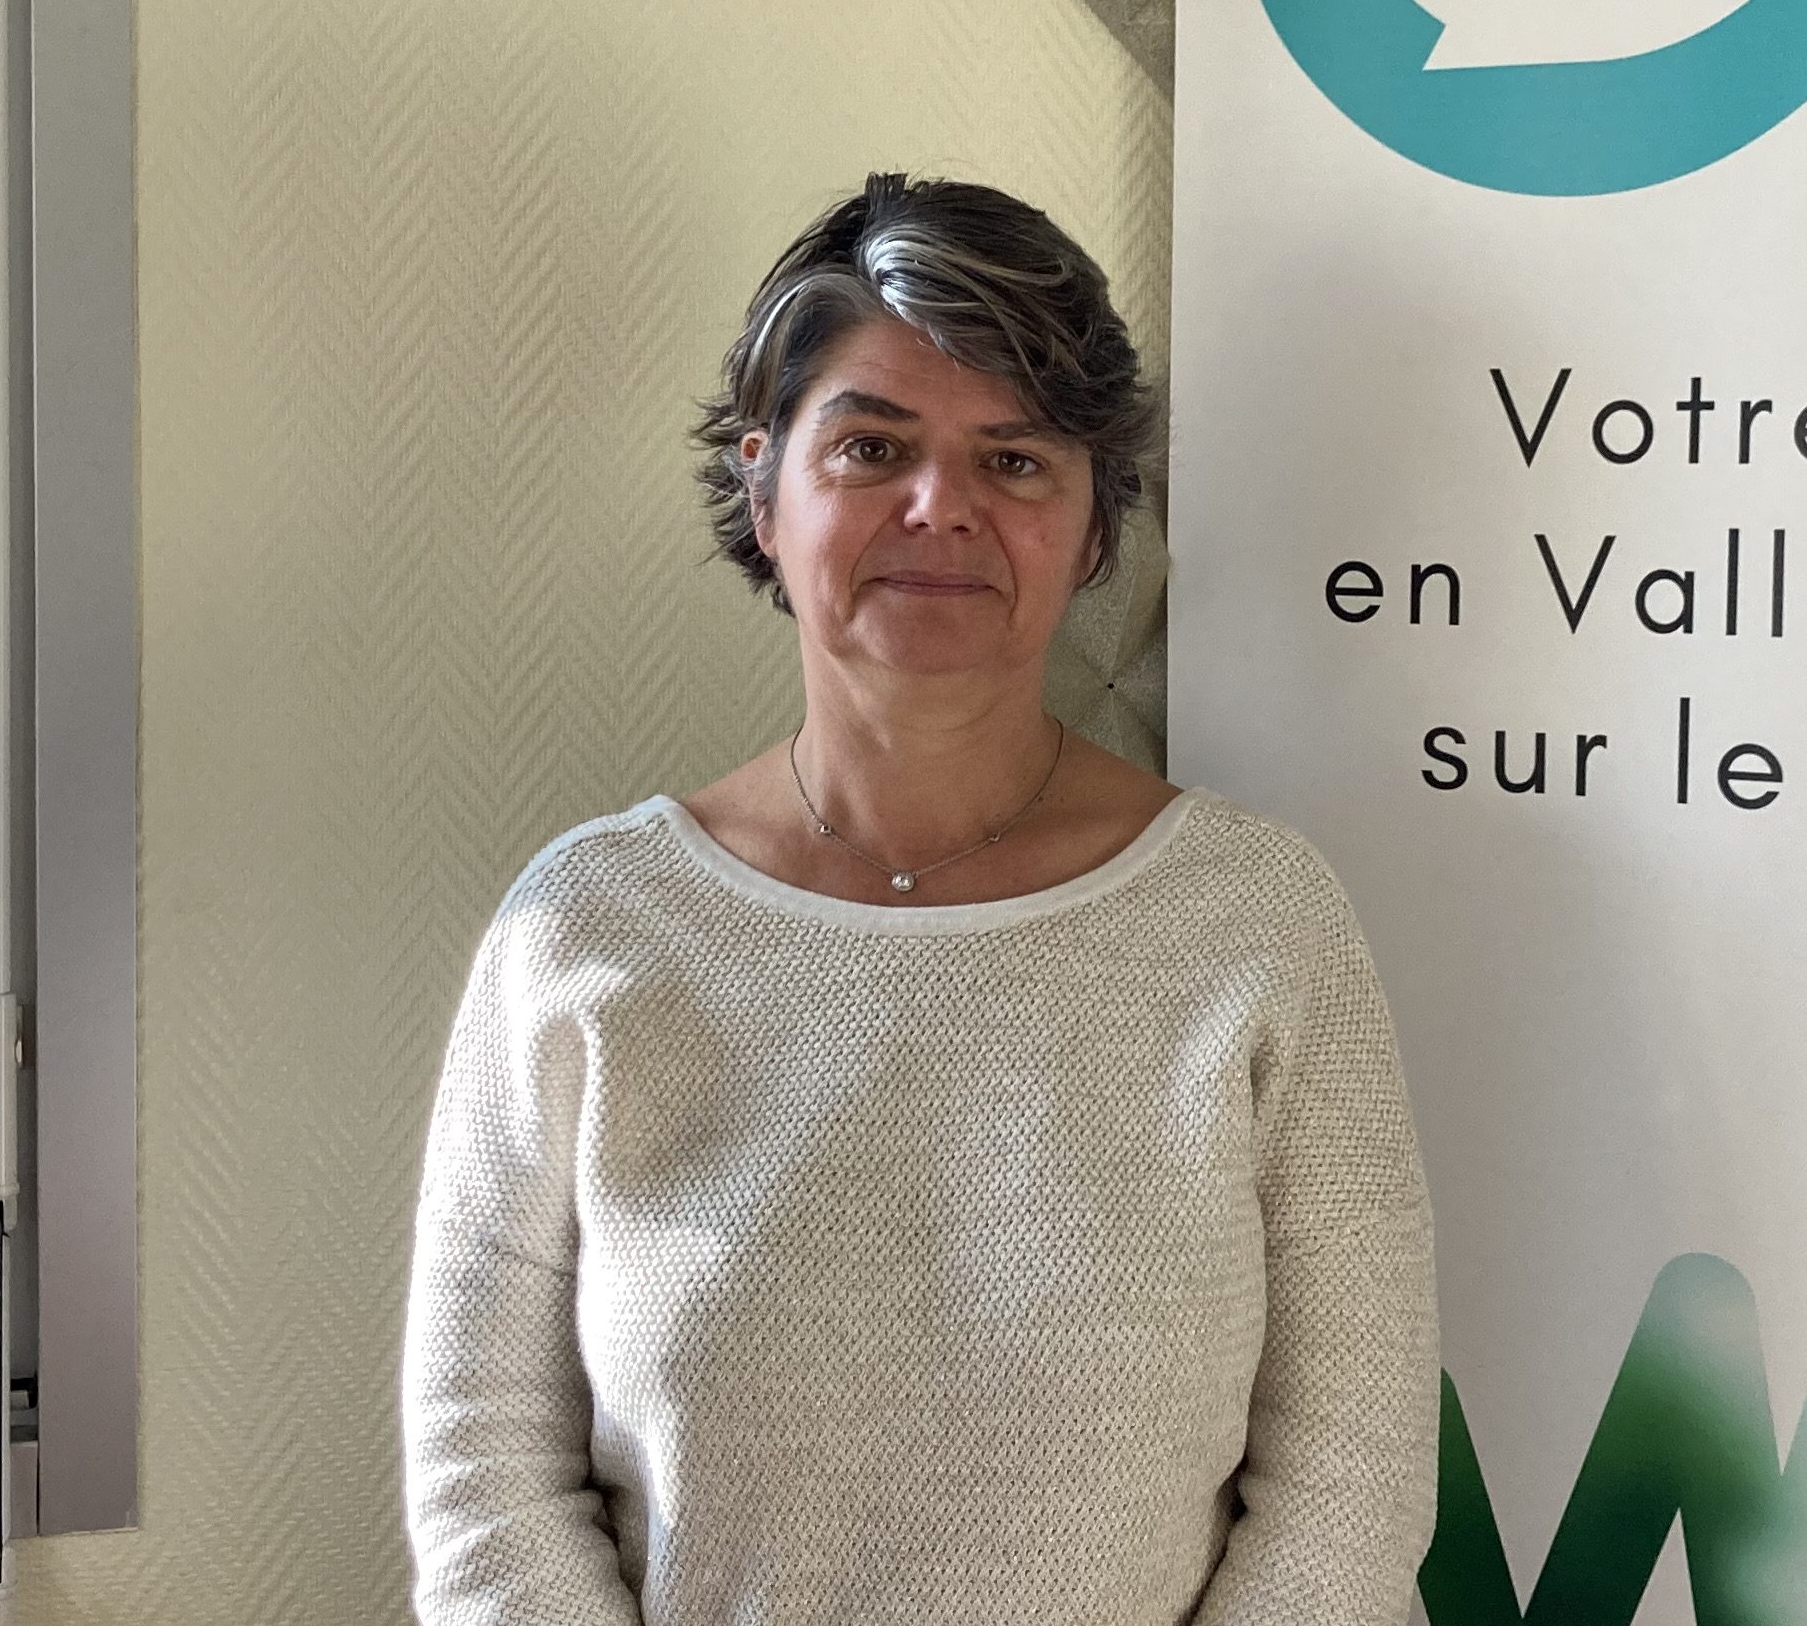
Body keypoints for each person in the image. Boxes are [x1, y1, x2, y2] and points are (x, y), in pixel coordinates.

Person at [400, 173, 1440, 1624]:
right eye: (872, 446)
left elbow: (1351, 1482)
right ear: (764, 488)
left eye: (1015, 460)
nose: (941, 505)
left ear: (1093, 528)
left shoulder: (1256, 921)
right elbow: (485, 1474)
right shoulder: (584, 930)